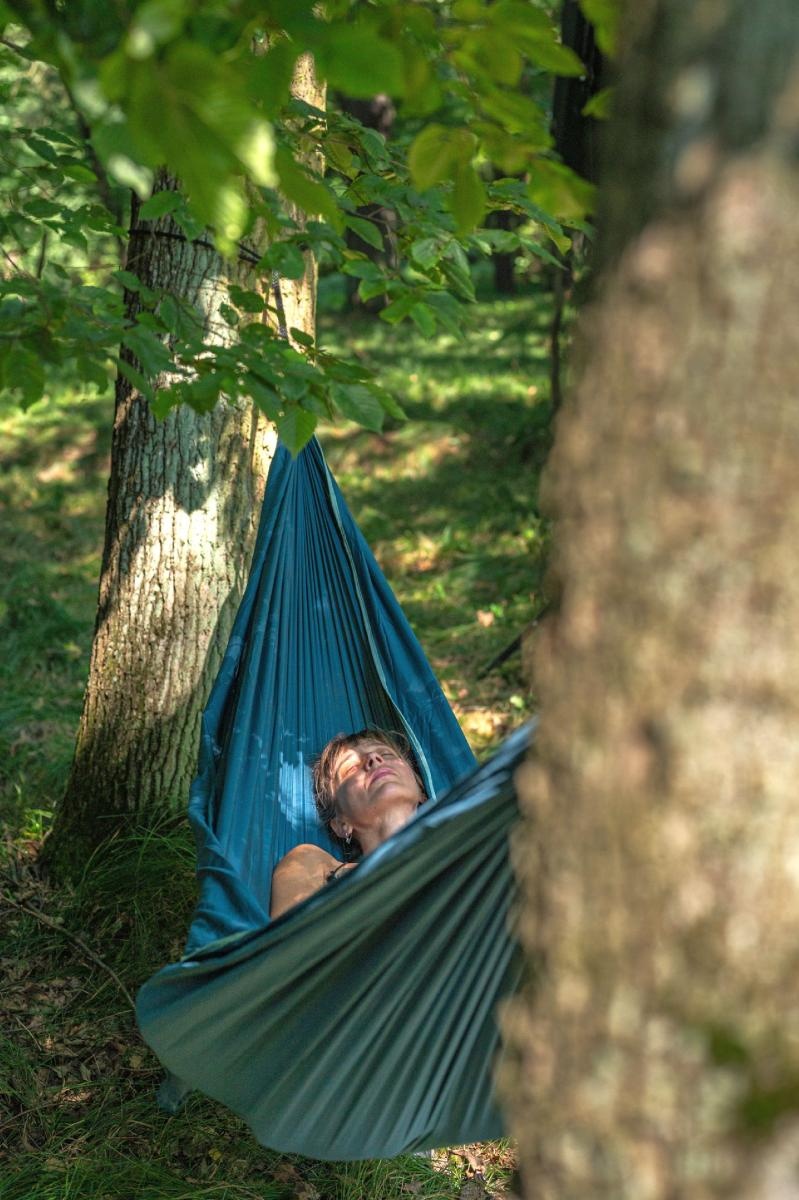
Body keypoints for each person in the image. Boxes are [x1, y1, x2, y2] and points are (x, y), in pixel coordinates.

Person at [269, 728, 426, 919]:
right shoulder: (315, 866)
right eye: (351, 768)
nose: (375, 759)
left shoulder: (462, 839)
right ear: (341, 823)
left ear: (421, 792)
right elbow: (291, 942)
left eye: (386, 754)